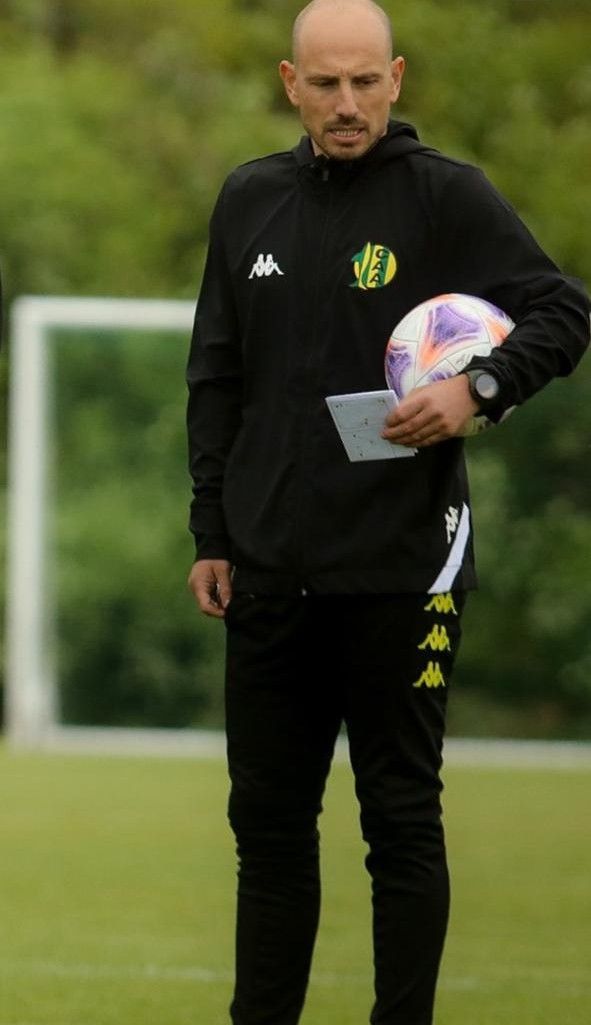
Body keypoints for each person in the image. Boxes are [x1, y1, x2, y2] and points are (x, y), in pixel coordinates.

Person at [185, 2, 590, 1023]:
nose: (348, 102)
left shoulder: (446, 198)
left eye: (366, 81)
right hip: (271, 569)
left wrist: (479, 390)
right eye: (326, 83)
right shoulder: (250, 200)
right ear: (291, 83)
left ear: (397, 78)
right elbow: (217, 377)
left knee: (400, 819)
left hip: (405, 571)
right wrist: (211, 531)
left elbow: (565, 309)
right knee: (269, 828)